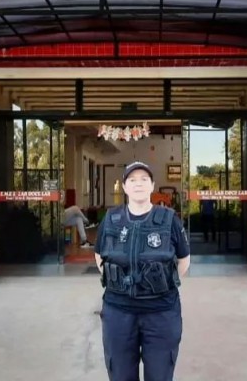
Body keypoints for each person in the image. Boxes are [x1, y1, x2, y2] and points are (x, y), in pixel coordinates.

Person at [94, 161, 191, 381]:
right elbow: (99, 255)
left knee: (160, 375)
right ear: (125, 187)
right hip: (118, 312)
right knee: (120, 375)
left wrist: (160, 283)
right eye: (132, 180)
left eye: (144, 179)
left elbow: (184, 260)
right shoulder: (111, 220)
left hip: (161, 312)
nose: (138, 184)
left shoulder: (169, 220)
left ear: (152, 185)